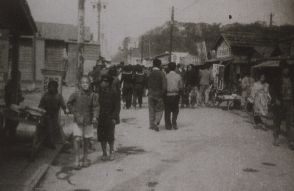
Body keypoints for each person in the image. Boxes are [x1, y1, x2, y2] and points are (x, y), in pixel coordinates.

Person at [67, 76, 99, 169]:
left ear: (90, 84)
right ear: (80, 84)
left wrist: (95, 117)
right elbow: (69, 104)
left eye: (87, 83)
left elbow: (96, 107)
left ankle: (85, 159)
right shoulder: (75, 94)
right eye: (83, 83)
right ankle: (77, 159)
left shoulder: (93, 95)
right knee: (77, 139)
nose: (85, 84)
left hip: (88, 120)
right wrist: (75, 113)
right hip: (78, 120)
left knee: (86, 140)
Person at [34, 81, 68, 152]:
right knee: (41, 127)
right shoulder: (45, 96)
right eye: (50, 87)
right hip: (46, 115)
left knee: (55, 128)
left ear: (56, 88)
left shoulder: (58, 96)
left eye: (53, 87)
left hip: (54, 116)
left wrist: (66, 110)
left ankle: (54, 142)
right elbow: (40, 106)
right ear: (48, 87)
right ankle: (44, 142)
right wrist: (42, 110)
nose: (51, 88)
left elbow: (63, 106)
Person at [98, 74, 120, 161]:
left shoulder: (114, 93)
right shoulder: (99, 92)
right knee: (101, 136)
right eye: (102, 81)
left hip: (110, 117)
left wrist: (115, 117)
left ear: (108, 83)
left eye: (105, 81)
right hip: (101, 117)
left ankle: (111, 152)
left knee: (110, 136)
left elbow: (117, 107)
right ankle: (104, 153)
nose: (103, 83)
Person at [271, 64, 294, 148]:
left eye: (288, 69)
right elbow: (272, 90)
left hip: (290, 103)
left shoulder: (292, 80)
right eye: (285, 69)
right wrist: (275, 99)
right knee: (278, 121)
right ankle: (276, 138)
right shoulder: (278, 80)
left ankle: (291, 141)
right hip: (280, 103)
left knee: (290, 122)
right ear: (282, 70)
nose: (286, 71)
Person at [4, 70, 24, 142]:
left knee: (15, 121)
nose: (19, 78)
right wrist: (18, 97)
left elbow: (19, 93)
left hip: (16, 105)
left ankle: (11, 135)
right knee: (10, 120)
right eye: (18, 76)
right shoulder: (9, 83)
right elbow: (9, 96)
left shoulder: (17, 84)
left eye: (19, 76)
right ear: (13, 76)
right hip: (10, 105)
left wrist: (20, 97)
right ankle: (8, 136)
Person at [147, 59, 167, 131]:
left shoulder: (149, 73)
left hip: (150, 93)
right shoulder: (162, 73)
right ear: (159, 64)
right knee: (160, 109)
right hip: (159, 94)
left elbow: (147, 83)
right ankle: (156, 122)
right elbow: (164, 85)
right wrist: (163, 93)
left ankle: (151, 125)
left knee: (151, 109)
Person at [165, 62, 183, 130]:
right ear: (175, 68)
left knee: (167, 110)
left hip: (168, 95)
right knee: (175, 110)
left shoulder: (166, 76)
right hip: (176, 95)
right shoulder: (178, 76)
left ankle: (168, 125)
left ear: (169, 68)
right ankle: (174, 122)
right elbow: (181, 86)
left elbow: (164, 86)